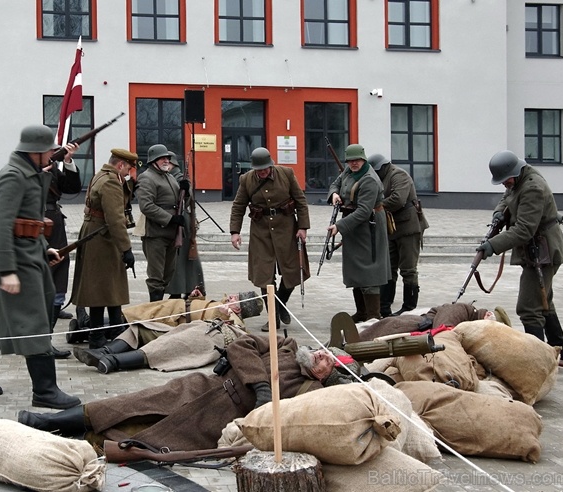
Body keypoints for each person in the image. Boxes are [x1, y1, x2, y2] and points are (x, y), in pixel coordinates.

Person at [18, 334, 332, 451]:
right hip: (200, 387)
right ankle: (47, 421)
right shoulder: (286, 346)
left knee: (135, 436)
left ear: (328, 374)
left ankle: (55, 442)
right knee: (124, 404)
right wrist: (261, 385)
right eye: (324, 351)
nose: (322, 355)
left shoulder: (308, 391)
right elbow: (241, 345)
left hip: (214, 420)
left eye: (330, 360)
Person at [0, 124, 80, 410]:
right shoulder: (13, 176)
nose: (52, 153)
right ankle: (45, 391)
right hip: (15, 262)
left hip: (28, 254)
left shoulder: (30, 174)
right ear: (35, 152)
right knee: (33, 320)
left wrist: (42, 247)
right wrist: (7, 271)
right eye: (49, 149)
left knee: (3, 320)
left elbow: (28, 222)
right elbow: (2, 226)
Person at [477, 150, 563, 361]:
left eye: (506, 180)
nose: (504, 184)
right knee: (543, 299)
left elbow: (524, 230)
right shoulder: (519, 179)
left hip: (544, 250)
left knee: (529, 307)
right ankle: (560, 350)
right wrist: (499, 214)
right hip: (538, 248)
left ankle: (536, 359)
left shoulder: (532, 187)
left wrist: (492, 245)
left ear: (515, 172)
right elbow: (508, 196)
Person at [72, 291, 264, 373]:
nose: (230, 297)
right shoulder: (221, 304)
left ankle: (110, 361)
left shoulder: (235, 320)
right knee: (138, 325)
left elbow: (236, 334)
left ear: (239, 308)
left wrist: (225, 316)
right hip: (175, 317)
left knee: (156, 344)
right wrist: (197, 296)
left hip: (182, 331)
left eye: (235, 298)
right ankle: (103, 352)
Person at [229, 147, 310, 332]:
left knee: (293, 271)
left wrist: (303, 227)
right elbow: (238, 206)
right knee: (265, 276)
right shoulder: (247, 179)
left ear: (271, 165)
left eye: (265, 169)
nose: (262, 172)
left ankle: (281, 303)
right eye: (259, 170)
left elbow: (300, 200)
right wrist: (235, 231)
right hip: (260, 232)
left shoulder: (286, 174)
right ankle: (273, 319)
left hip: (287, 228)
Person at [71, 148, 138, 350]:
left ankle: (113, 330)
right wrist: (126, 249)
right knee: (101, 287)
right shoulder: (111, 182)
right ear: (119, 165)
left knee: (108, 286)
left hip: (97, 234)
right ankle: (97, 336)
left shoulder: (101, 175)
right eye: (128, 168)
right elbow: (116, 219)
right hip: (103, 237)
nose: (128, 173)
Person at [327, 144, 390, 322]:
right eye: (350, 160)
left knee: (369, 272)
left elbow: (363, 211)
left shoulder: (369, 179)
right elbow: (336, 183)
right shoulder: (348, 171)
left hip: (368, 228)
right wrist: (334, 194)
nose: (353, 163)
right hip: (353, 226)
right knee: (356, 270)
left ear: (363, 159)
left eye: (357, 160)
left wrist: (339, 226)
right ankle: (361, 313)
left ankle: (373, 316)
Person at [368, 154, 429, 317]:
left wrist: (374, 206)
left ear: (382, 167)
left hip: (409, 227)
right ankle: (384, 308)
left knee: (408, 270)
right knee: (388, 268)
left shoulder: (398, 175)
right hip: (392, 228)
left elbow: (398, 199)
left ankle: (409, 308)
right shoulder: (380, 179)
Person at [136, 144, 190, 301]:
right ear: (154, 160)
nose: (167, 160)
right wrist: (170, 218)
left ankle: (160, 312)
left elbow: (180, 203)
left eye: (167, 158)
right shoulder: (146, 177)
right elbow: (146, 206)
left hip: (171, 234)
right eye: (163, 158)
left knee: (167, 274)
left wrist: (186, 192)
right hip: (156, 234)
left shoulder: (169, 177)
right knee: (156, 278)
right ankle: (154, 313)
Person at [44, 141, 82, 359]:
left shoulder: (53, 169)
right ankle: (39, 339)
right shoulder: (30, 172)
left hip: (55, 223)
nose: (54, 152)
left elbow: (72, 188)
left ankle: (46, 336)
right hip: (39, 225)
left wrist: (67, 161)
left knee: (60, 269)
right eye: (52, 149)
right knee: (45, 275)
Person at [358, 302, 512, 342]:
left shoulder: (469, 323)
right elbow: (442, 331)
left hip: (413, 333)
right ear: (488, 315)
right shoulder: (464, 310)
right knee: (363, 342)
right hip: (406, 328)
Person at [165, 151, 205, 299]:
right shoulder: (169, 177)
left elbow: (187, 200)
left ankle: (185, 290)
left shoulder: (180, 178)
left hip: (182, 224)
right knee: (179, 262)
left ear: (173, 163)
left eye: (167, 162)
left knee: (183, 261)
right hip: (176, 223)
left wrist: (185, 190)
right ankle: (182, 289)